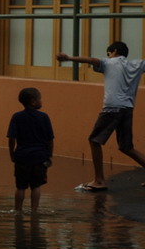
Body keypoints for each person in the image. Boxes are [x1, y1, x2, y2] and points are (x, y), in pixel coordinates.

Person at [57, 41, 145, 191]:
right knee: (126, 147)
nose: (108, 56)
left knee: (94, 140)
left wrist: (69, 58)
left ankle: (99, 180)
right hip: (128, 109)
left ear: (114, 51)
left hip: (112, 108)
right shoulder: (137, 64)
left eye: (108, 53)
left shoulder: (109, 63)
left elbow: (92, 60)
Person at [7, 87, 53, 212]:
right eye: (39, 99)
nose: (41, 101)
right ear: (33, 101)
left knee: (20, 187)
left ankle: (17, 211)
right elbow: (50, 139)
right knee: (36, 186)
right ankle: (34, 212)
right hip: (39, 157)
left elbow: (11, 138)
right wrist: (49, 155)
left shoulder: (17, 117)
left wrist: (12, 154)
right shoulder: (44, 117)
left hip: (22, 157)